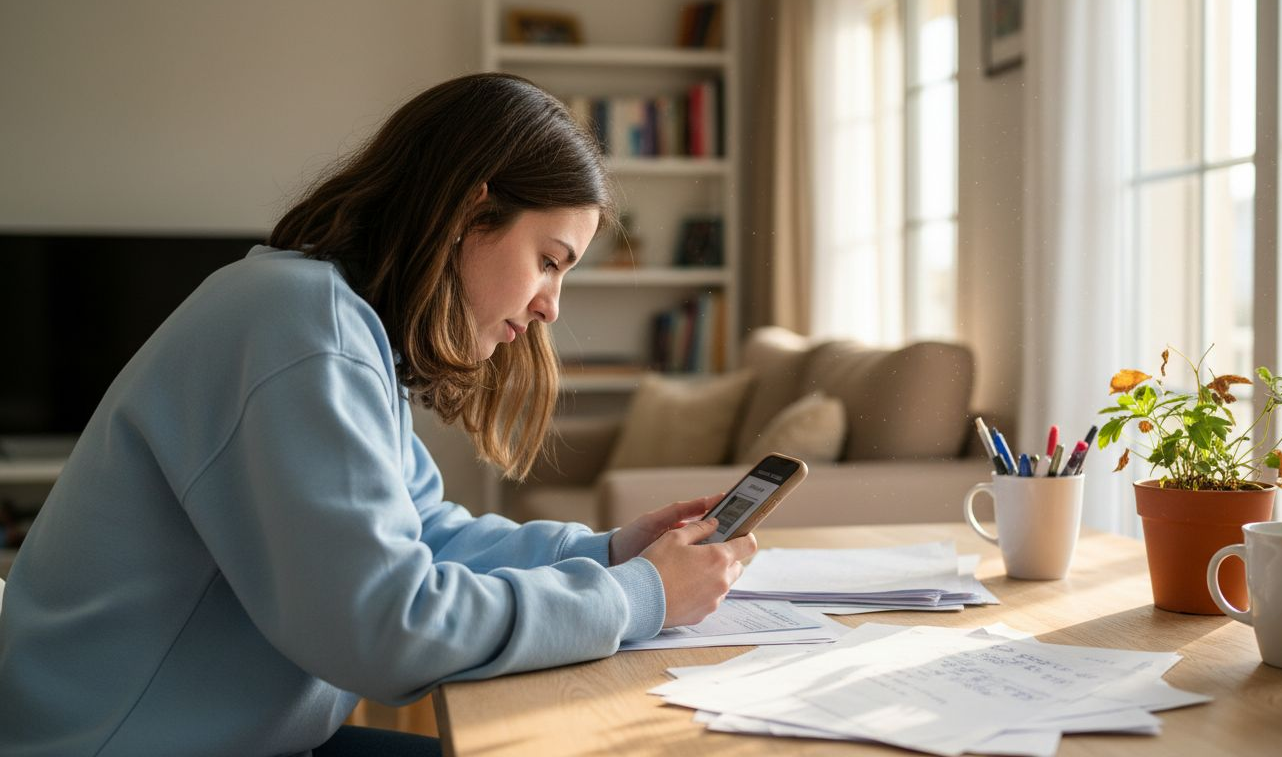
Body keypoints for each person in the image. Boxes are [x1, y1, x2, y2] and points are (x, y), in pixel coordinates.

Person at [0, 73, 757, 756]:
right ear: (473, 209)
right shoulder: (302, 331)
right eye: (550, 260)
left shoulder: (327, 316)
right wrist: (642, 596)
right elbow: (389, 629)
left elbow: (424, 533)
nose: (550, 305)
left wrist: (612, 554)